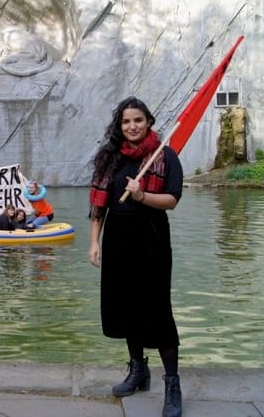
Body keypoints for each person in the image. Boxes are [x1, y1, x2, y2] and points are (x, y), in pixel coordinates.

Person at [87, 96, 184, 417]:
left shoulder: (165, 156)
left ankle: (172, 383)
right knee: (125, 305)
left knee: (157, 309)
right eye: (126, 121)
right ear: (119, 125)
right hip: (117, 240)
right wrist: (94, 243)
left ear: (148, 122)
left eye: (138, 121)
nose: (132, 126)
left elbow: (172, 199)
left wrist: (143, 196)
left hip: (152, 240)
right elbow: (99, 206)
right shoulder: (110, 158)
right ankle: (138, 370)